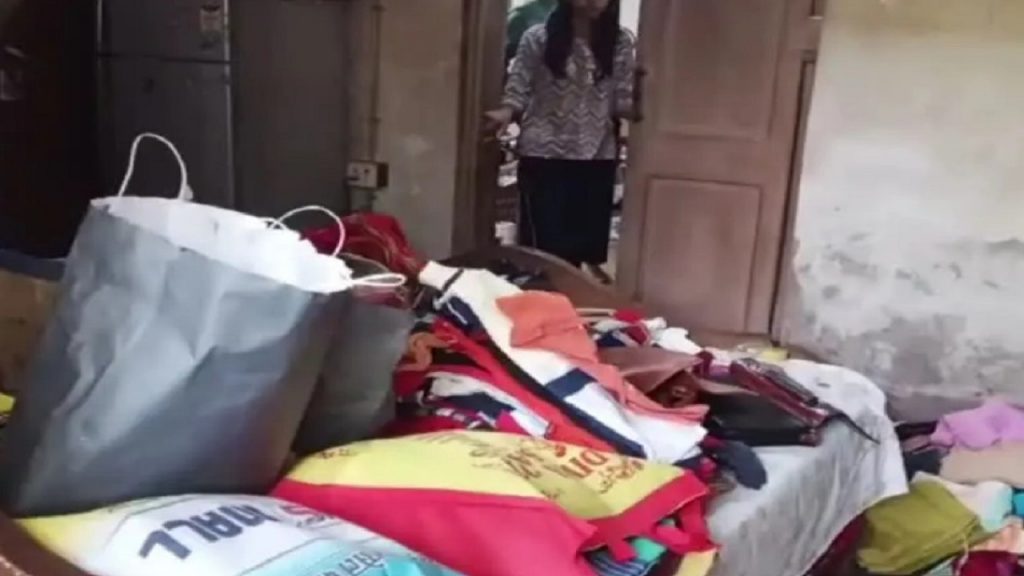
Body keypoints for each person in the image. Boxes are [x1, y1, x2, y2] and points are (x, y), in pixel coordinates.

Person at [485, 0, 635, 273]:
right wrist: (506, 111)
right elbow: (518, 85)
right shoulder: (537, 37)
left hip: (595, 153)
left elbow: (624, 98)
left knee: (580, 245)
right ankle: (538, 289)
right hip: (544, 152)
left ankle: (571, 294)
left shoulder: (620, 41)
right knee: (541, 245)